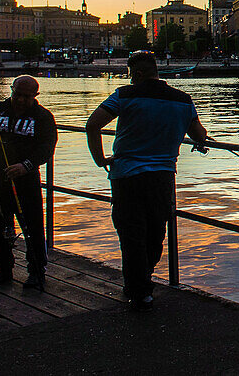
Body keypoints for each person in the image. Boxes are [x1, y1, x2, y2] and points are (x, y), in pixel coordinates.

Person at [85, 51, 208, 311]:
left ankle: (138, 290)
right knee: (155, 234)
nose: (129, 79)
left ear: (137, 74)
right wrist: (198, 138)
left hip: (126, 176)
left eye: (131, 75)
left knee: (131, 235)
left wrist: (99, 159)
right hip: (162, 177)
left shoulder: (124, 95)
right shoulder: (183, 100)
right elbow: (199, 133)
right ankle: (144, 282)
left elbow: (93, 125)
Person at [0, 75, 56, 291]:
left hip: (26, 181)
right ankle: (3, 271)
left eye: (27, 96)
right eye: (18, 95)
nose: (21, 100)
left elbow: (47, 147)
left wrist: (26, 165)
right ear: (11, 90)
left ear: (35, 96)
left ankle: (36, 272)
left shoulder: (43, 117)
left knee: (32, 227)